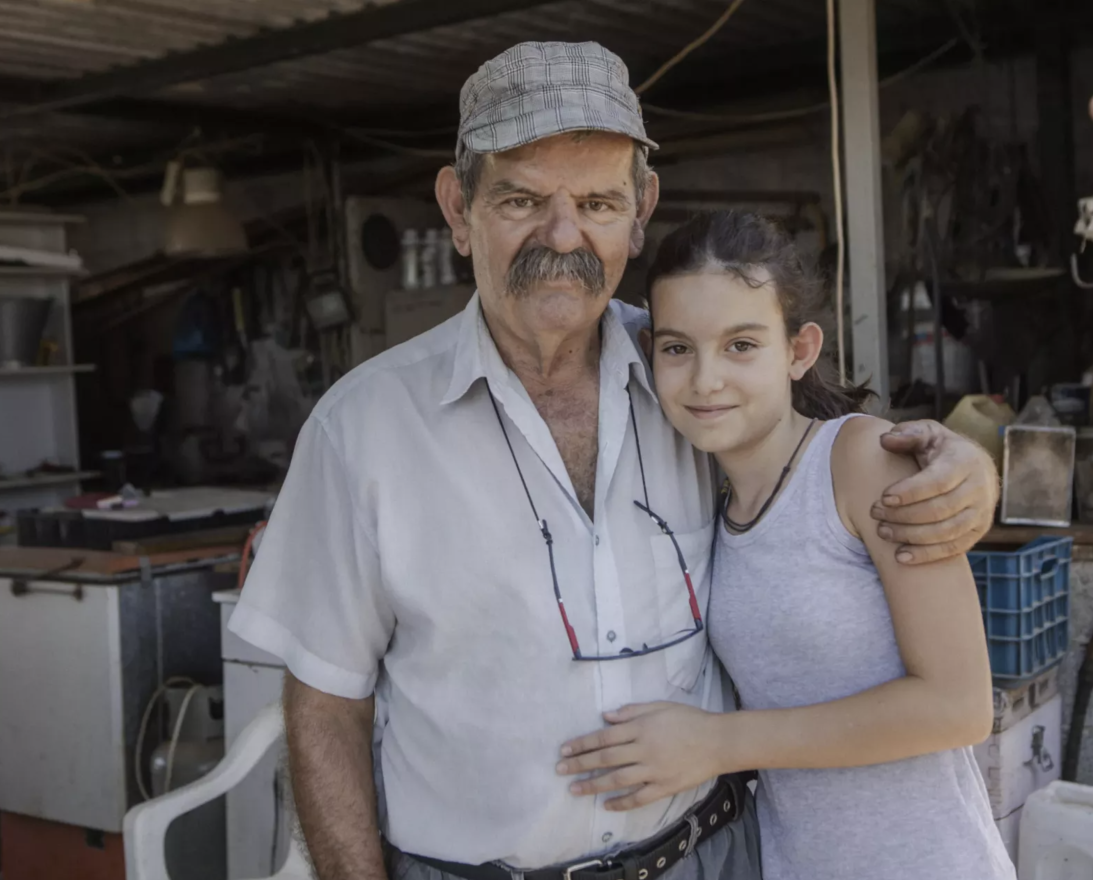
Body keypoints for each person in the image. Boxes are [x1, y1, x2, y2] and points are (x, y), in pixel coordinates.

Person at [230, 42, 999, 880]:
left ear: (641, 211)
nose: (563, 235)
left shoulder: (686, 373)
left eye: (597, 201)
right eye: (522, 198)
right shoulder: (361, 429)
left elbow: (822, 445)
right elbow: (325, 706)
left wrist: (967, 464)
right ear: (458, 209)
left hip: (712, 856)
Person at [556, 211, 1014, 880]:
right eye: (679, 348)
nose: (707, 379)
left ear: (799, 350)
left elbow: (959, 706)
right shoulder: (700, 492)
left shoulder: (862, 462)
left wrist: (717, 744)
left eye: (741, 345)